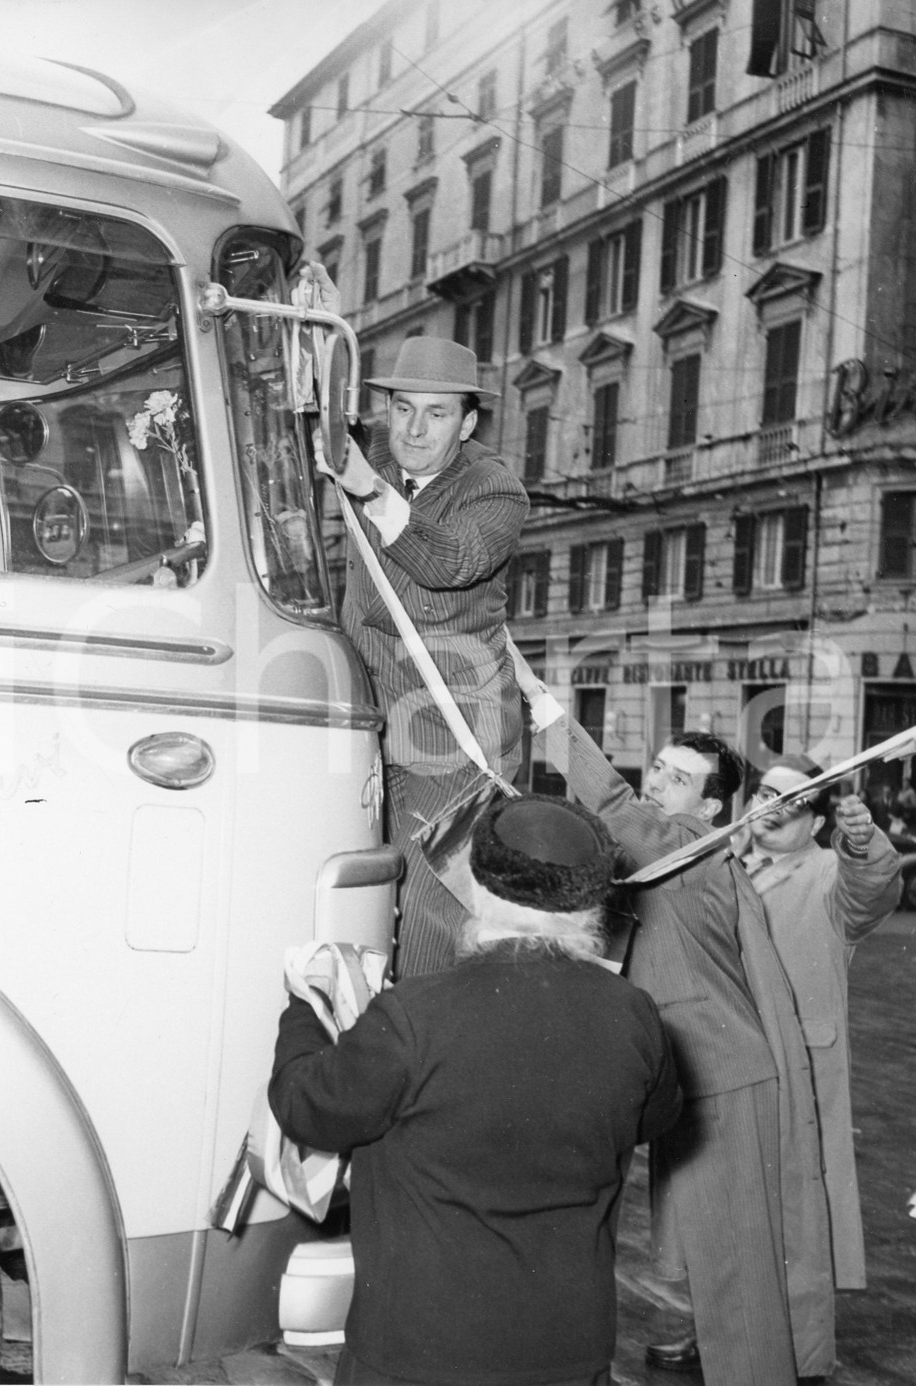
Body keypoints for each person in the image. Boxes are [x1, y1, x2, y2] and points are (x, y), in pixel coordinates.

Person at [269, 794, 682, 1386]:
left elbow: (307, 1110)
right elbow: (656, 1118)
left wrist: (304, 1008)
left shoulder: (416, 1015)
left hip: (420, 1348)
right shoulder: (634, 1014)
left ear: (480, 888)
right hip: (568, 1347)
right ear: (589, 903)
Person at [544, 726, 835, 1385]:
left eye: (676, 778)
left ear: (709, 808)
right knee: (716, 1257)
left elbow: (618, 809)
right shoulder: (660, 856)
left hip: (724, 1074)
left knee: (736, 1267)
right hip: (692, 1074)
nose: (655, 782)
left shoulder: (692, 848)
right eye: (655, 767)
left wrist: (551, 724)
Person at [302, 263, 529, 977]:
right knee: (354, 906)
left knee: (430, 932)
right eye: (402, 410)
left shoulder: (495, 491)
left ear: (467, 422)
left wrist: (369, 491)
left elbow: (445, 569)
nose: (414, 431)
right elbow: (312, 418)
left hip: (454, 747)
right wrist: (318, 337)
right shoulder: (376, 453)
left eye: (436, 415)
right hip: (371, 728)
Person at [735, 756, 901, 1289]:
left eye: (792, 801)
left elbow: (872, 887)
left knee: (799, 1204)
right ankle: (726, 1325)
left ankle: (802, 1353)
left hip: (798, 1067)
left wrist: (861, 843)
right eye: (765, 793)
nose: (771, 808)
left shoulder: (830, 873)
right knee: (733, 1196)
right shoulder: (725, 867)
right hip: (731, 1059)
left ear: (818, 824)